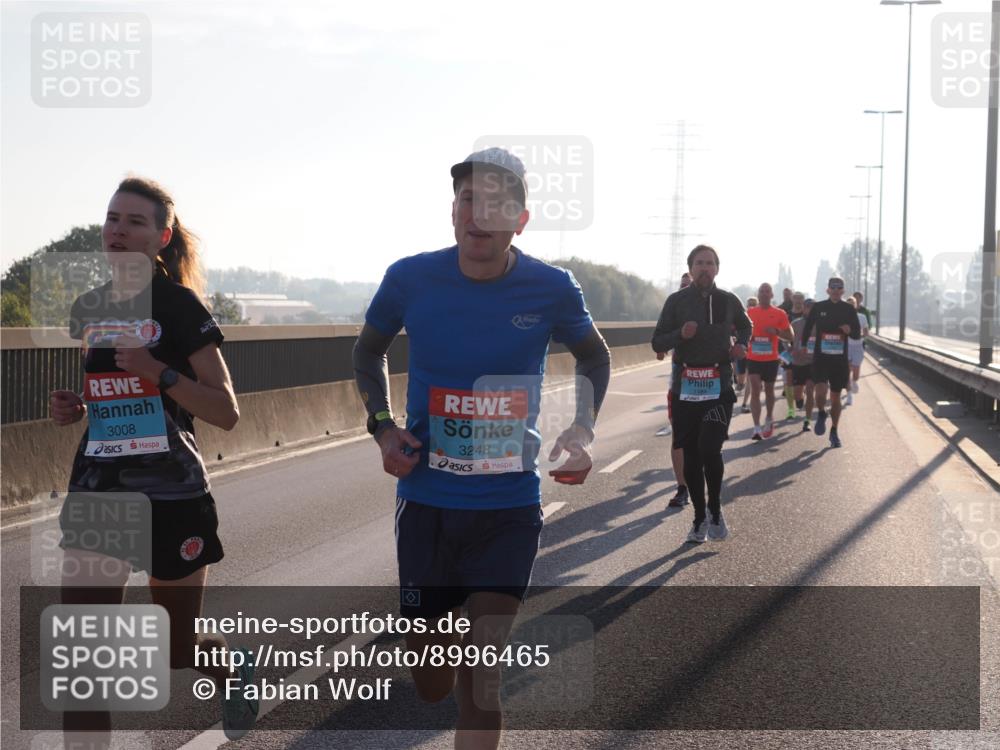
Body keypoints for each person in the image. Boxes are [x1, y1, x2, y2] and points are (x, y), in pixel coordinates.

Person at [353, 147, 610, 750]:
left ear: (521, 220)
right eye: (469, 199)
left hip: (508, 506)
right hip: (427, 505)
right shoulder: (410, 278)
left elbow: (595, 355)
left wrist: (582, 429)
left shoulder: (551, 288)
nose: (479, 214)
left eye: (496, 204)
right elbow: (368, 352)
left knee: (480, 679)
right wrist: (384, 427)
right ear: (453, 209)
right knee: (432, 678)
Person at [49, 177, 257, 744]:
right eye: (113, 218)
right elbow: (109, 393)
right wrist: (79, 405)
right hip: (100, 488)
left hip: (172, 493)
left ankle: (229, 672)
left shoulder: (179, 306)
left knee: (175, 648)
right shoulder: (90, 305)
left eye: (134, 222)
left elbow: (227, 411)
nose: (118, 229)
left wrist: (157, 371)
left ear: (161, 237)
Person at [652, 245, 751, 544]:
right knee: (692, 454)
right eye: (699, 263)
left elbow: (746, 326)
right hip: (686, 387)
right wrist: (680, 334)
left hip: (718, 384)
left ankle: (716, 509)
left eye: (710, 263)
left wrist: (741, 345)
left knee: (710, 448)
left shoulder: (728, 300)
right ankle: (699, 518)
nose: (705, 268)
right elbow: (657, 341)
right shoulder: (676, 301)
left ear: (717, 269)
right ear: (691, 269)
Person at [800, 277, 861, 448]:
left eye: (839, 287)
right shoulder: (819, 307)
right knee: (819, 392)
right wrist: (804, 345)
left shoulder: (849, 309)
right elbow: (808, 326)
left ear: (842, 291)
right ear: (828, 290)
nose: (835, 290)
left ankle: (834, 431)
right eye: (832, 287)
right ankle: (820, 412)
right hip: (821, 358)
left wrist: (851, 331)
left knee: (835, 398)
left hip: (839, 360)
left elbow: (857, 334)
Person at [658, 272, 692, 507]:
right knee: (679, 436)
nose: (684, 290)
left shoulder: (714, 307)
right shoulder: (673, 309)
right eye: (681, 286)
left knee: (703, 439)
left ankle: (698, 480)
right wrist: (675, 336)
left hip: (710, 385)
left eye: (688, 286)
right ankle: (682, 487)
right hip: (680, 384)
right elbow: (659, 344)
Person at [745, 283, 792, 441]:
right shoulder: (750, 312)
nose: (764, 294)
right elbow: (740, 331)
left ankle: (769, 418)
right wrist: (746, 337)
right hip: (753, 358)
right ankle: (757, 427)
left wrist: (777, 332)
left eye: (767, 292)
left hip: (771, 359)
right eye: (761, 291)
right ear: (758, 295)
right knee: (755, 389)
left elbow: (790, 336)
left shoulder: (779, 313)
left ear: (772, 295)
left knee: (770, 391)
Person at [790, 298, 817, 431]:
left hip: (813, 362)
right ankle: (799, 401)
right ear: (804, 309)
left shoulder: (821, 324)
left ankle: (807, 421)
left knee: (811, 390)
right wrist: (791, 349)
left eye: (813, 307)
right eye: (808, 307)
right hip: (798, 362)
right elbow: (785, 338)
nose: (810, 310)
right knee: (797, 394)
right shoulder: (795, 323)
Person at [845, 296, 869, 404]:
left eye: (852, 304)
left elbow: (866, 331)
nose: (850, 306)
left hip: (858, 345)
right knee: (847, 371)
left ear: (855, 306)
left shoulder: (862, 317)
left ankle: (854, 381)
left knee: (856, 371)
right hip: (847, 346)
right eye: (848, 305)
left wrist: (861, 335)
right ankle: (849, 395)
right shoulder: (842, 318)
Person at [738, 296, 757, 414]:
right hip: (743, 351)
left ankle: (745, 403)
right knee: (741, 377)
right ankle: (739, 384)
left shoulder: (761, 316)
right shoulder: (742, 315)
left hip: (755, 354)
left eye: (754, 303)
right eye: (750, 303)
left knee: (751, 380)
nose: (752, 305)